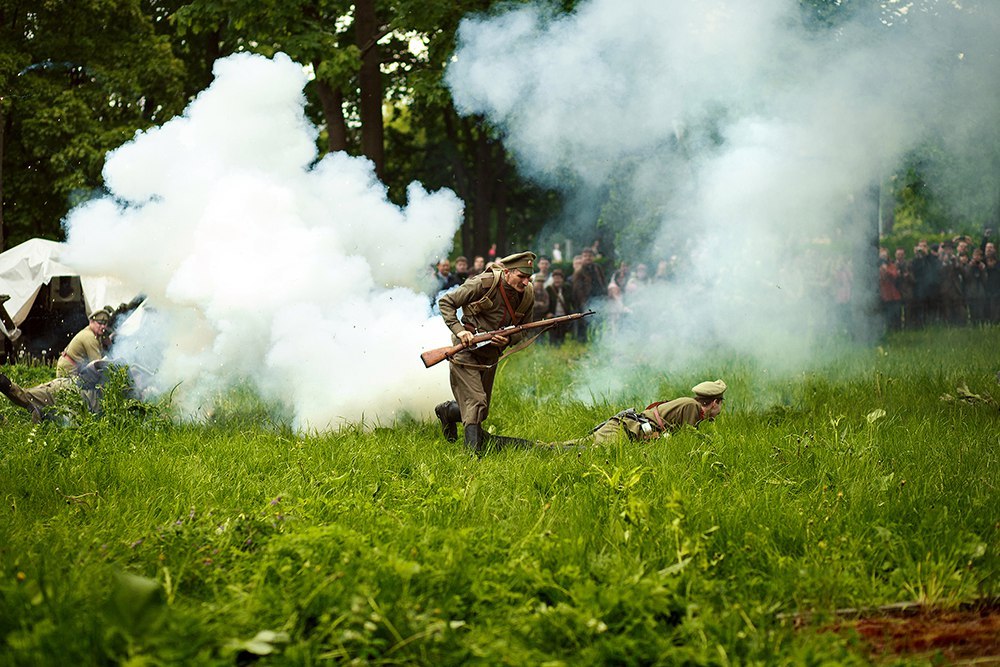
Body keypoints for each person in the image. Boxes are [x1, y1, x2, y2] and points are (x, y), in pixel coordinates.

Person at [433, 251, 536, 455]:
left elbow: (525, 328)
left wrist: (508, 340)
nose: (525, 282)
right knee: (476, 402)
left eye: (528, 278)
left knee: (482, 410)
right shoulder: (484, 283)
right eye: (521, 276)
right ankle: (473, 456)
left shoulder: (528, 295)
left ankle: (446, 411)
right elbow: (446, 302)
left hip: (490, 355)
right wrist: (460, 331)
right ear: (507, 272)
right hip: (466, 351)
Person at [488, 380, 727, 452]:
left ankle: (501, 444)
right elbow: (687, 441)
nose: (719, 410)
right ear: (715, 402)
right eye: (720, 405)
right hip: (622, 430)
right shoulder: (693, 408)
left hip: (624, 429)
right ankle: (503, 445)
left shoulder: (691, 407)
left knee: (559, 448)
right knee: (579, 452)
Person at [57, 308, 113, 377]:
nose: (103, 326)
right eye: (99, 323)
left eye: (105, 324)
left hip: (73, 368)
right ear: (91, 322)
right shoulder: (89, 337)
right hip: (68, 371)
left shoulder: (94, 334)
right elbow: (98, 364)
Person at [545, 269, 578, 345]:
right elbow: (546, 303)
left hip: (564, 315)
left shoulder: (567, 288)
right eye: (555, 278)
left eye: (559, 278)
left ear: (562, 279)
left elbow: (573, 300)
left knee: (562, 334)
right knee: (553, 335)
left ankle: (561, 347)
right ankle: (553, 348)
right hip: (553, 315)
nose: (557, 280)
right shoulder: (549, 289)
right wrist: (547, 313)